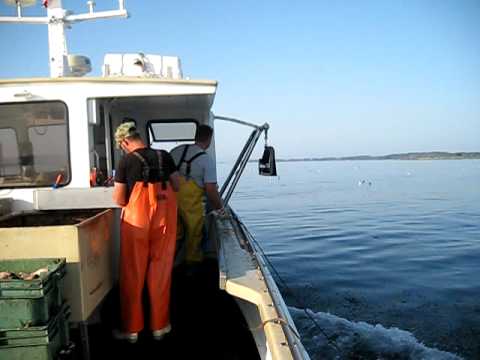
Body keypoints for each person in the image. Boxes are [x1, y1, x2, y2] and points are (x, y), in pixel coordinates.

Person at [112, 121, 180, 343]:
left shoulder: (125, 161)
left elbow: (120, 199)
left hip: (137, 223)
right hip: (164, 220)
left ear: (124, 142)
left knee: (133, 273)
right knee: (160, 273)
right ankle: (160, 326)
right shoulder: (165, 156)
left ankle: (131, 330)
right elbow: (177, 185)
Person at [170, 124, 224, 266]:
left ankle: (168, 268)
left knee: (174, 235)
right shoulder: (207, 160)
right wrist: (220, 208)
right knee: (195, 236)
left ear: (195, 136)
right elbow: (211, 189)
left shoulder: (175, 151)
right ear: (209, 139)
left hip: (171, 201)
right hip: (192, 204)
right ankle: (192, 272)